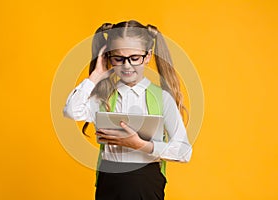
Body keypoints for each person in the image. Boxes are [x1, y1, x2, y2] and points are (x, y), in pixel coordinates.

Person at [63, 20, 192, 200]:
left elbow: (184, 152)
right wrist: (96, 75)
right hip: (110, 183)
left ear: (147, 57)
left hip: (146, 183)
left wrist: (140, 145)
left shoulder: (162, 98)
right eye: (119, 58)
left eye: (134, 58)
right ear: (108, 57)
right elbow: (71, 111)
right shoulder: (104, 96)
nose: (127, 66)